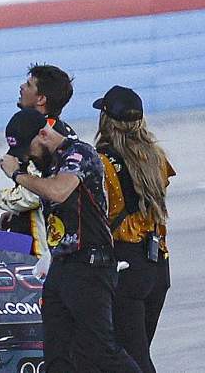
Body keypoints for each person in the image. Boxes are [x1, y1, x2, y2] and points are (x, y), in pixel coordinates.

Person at [0, 109, 140, 373]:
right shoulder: (49, 164)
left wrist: (17, 175)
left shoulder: (79, 154)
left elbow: (59, 191)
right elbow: (51, 198)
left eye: (28, 151)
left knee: (101, 350)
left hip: (90, 265)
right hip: (61, 266)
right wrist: (14, 214)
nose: (27, 158)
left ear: (43, 134)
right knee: (57, 354)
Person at [93, 86, 174, 373]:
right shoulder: (157, 157)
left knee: (130, 359)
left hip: (125, 263)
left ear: (106, 120)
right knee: (137, 354)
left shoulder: (101, 162)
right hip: (157, 264)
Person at [0, 63, 77, 255]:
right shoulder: (59, 130)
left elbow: (36, 193)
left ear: (41, 99)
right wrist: (19, 214)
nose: (21, 87)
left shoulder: (42, 137)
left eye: (28, 85)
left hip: (47, 251)